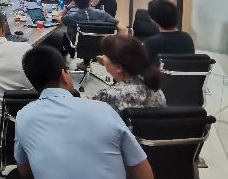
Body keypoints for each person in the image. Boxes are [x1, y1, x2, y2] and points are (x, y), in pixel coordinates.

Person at [14, 46, 154, 179]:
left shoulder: (23, 116)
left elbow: (25, 171)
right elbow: (142, 171)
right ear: (64, 75)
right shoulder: (103, 109)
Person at [93, 34, 166, 113]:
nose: (103, 57)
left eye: (106, 54)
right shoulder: (157, 91)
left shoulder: (107, 96)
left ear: (118, 68)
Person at [54, 0, 127, 46]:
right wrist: (115, 46)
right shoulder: (103, 14)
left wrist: (68, 7)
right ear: (89, 0)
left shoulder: (72, 17)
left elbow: (57, 17)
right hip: (102, 46)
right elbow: (123, 29)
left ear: (75, 3)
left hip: (80, 47)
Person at [144, 0, 195, 65]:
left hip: (159, 72)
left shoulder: (151, 43)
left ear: (153, 20)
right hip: (185, 72)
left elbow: (143, 68)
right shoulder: (187, 38)